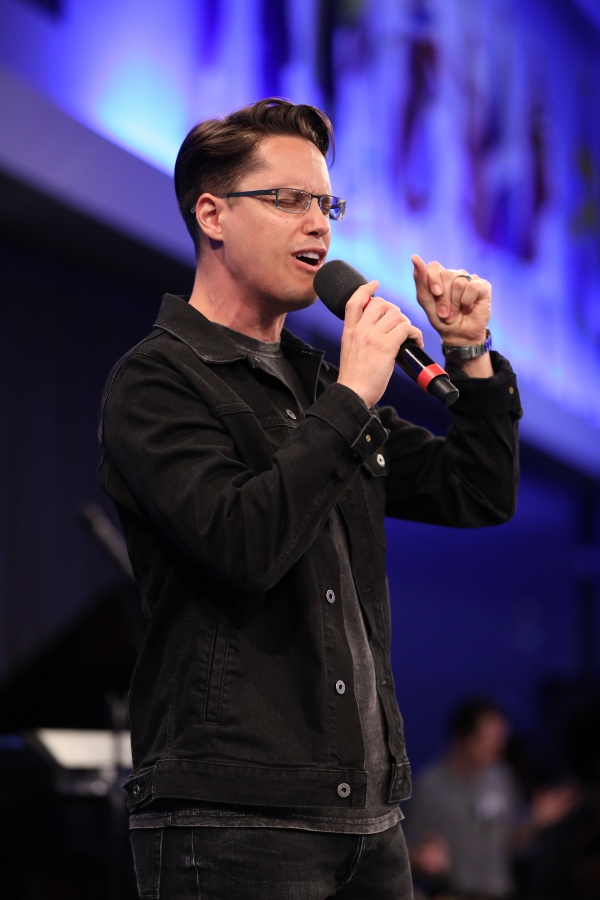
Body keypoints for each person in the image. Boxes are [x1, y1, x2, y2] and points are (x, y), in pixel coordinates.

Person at [98, 97, 522, 899]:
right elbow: (243, 544)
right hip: (233, 820)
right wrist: (353, 399)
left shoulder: (320, 387)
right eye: (288, 199)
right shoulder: (156, 382)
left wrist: (469, 354)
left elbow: (477, 491)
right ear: (212, 215)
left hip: (368, 817)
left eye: (327, 204)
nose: (318, 225)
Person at [404, 697, 578, 900]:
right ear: (465, 739)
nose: (500, 746)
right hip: (452, 893)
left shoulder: (501, 776)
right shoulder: (429, 785)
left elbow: (509, 843)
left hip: (498, 893)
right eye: (493, 738)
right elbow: (405, 853)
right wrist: (421, 859)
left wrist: (535, 821)